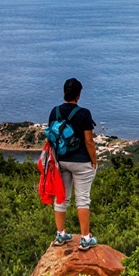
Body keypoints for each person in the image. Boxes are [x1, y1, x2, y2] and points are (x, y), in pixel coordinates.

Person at [48, 78, 99, 250]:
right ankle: (85, 238)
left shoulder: (54, 112)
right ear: (78, 94)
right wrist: (94, 160)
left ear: (64, 92)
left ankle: (60, 235)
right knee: (83, 199)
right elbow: (89, 141)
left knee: (61, 197)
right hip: (81, 162)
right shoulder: (84, 113)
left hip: (61, 161)